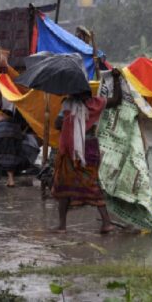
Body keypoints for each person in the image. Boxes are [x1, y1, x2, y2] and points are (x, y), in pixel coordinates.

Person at [52, 68, 123, 234]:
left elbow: (56, 124)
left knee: (65, 186)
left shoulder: (68, 105)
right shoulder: (95, 103)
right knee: (90, 184)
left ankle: (63, 225)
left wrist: (67, 117)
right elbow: (117, 100)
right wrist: (117, 79)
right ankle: (106, 223)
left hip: (71, 151)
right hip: (89, 148)